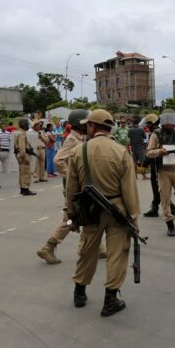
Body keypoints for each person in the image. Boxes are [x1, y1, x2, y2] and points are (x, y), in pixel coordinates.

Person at [65, 108, 140, 317]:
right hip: (118, 210)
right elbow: (130, 191)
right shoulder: (121, 152)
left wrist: (72, 215)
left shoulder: (79, 151)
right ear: (109, 128)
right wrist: (133, 218)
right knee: (118, 253)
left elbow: (71, 188)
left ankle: (79, 292)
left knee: (88, 250)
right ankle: (110, 299)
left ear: (91, 126)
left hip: (89, 211)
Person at [38, 109, 107, 264]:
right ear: (79, 123)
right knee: (70, 219)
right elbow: (58, 160)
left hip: (81, 187)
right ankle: (48, 247)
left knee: (89, 216)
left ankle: (100, 248)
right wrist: (73, 177)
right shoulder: (72, 140)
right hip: (75, 189)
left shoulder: (79, 138)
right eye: (87, 123)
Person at [146, 110, 175, 236]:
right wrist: (159, 152)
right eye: (167, 121)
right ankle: (170, 224)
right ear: (163, 121)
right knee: (165, 199)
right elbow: (148, 152)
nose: (170, 124)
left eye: (171, 121)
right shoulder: (156, 134)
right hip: (163, 171)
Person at [14, 117, 36, 196]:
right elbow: (22, 147)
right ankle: (26, 189)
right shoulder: (22, 133)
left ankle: (22, 188)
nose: (28, 126)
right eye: (27, 124)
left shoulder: (18, 132)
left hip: (19, 155)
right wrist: (25, 157)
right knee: (26, 172)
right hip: (23, 155)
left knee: (22, 173)